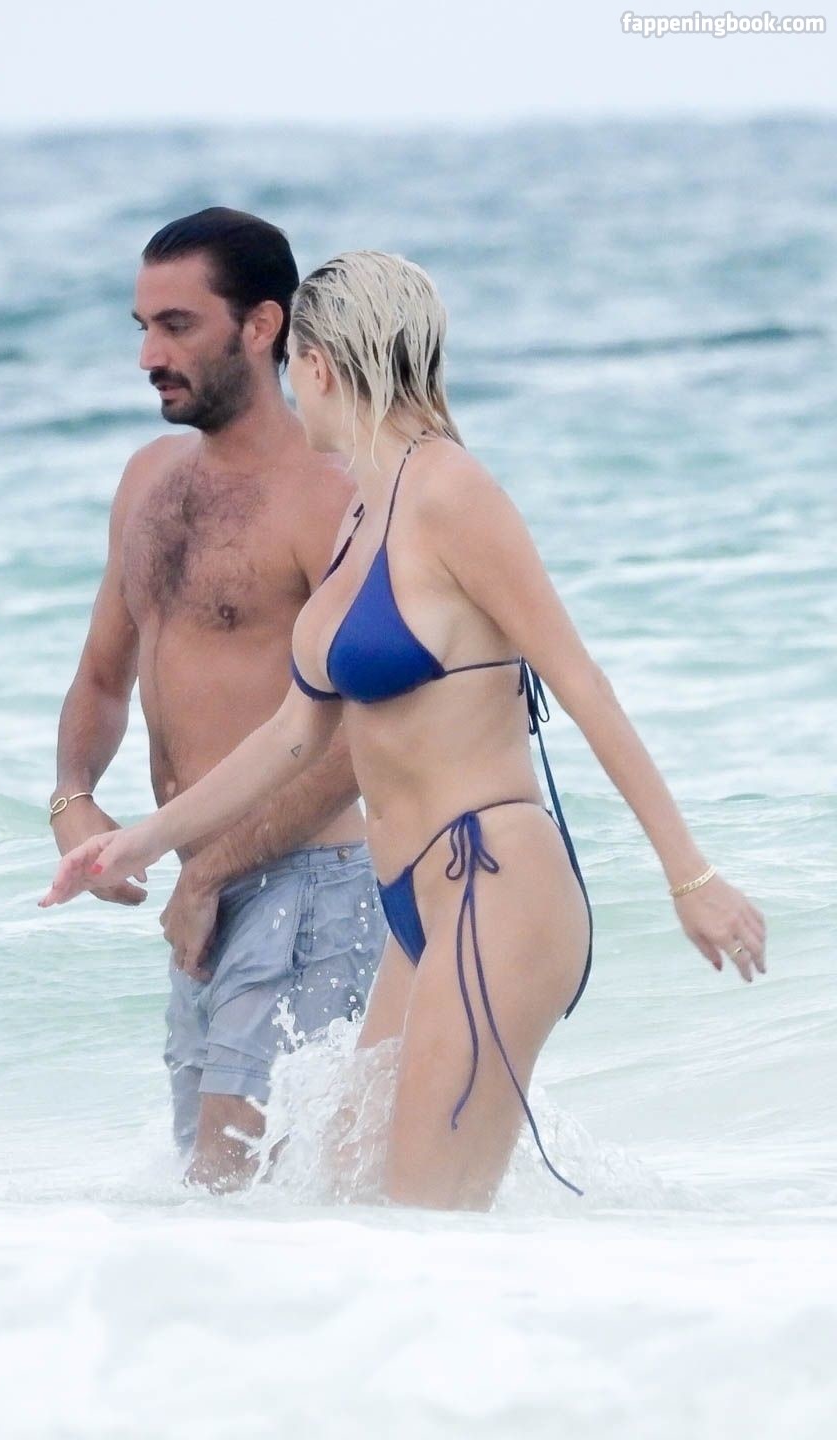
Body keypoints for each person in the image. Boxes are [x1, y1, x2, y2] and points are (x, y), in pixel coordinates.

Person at [41, 250, 767, 1212]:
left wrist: (693, 879)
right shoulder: (364, 513)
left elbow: (583, 686)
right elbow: (292, 737)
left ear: (319, 365)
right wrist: (139, 841)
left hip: (495, 886)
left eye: (296, 365)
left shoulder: (451, 493)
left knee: (426, 1226)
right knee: (352, 1214)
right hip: (413, 911)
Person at [47, 210, 387, 1192]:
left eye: (178, 326)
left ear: (262, 325)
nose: (149, 355)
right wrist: (74, 799)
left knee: (230, 1187)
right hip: (204, 886)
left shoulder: (331, 495)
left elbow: (366, 737)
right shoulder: (148, 481)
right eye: (142, 327)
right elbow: (103, 674)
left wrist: (210, 874)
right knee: (221, 1195)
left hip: (313, 889)